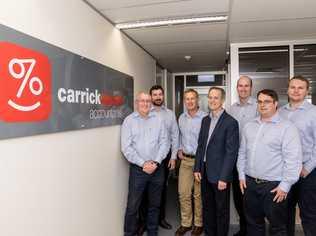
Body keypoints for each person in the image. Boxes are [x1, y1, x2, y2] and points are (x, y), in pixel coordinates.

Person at [237, 89, 302, 236]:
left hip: (274, 186)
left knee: (277, 227)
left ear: (275, 104)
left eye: (267, 101)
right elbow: (242, 153)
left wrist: (285, 186)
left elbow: (293, 160)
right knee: (253, 224)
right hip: (250, 184)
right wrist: (241, 175)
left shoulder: (287, 127)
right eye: (259, 101)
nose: (262, 105)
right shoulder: (249, 126)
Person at [121, 92, 169, 236]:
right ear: (137, 103)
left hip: (157, 169)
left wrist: (156, 162)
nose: (145, 103)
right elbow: (126, 148)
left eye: (148, 101)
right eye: (142, 101)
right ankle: (129, 233)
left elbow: (165, 143)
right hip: (138, 170)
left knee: (155, 204)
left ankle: (152, 232)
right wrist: (143, 164)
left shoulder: (158, 120)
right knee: (133, 206)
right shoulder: (129, 121)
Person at [194, 87, 239, 236]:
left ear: (222, 100)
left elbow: (231, 153)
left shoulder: (230, 122)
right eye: (210, 97)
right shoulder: (205, 120)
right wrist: (197, 168)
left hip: (220, 174)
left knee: (221, 210)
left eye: (216, 98)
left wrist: (224, 177)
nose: (212, 100)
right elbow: (200, 146)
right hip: (205, 171)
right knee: (207, 207)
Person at [138, 85, 179, 235]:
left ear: (163, 96)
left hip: (164, 157)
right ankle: (143, 222)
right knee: (143, 190)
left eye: (159, 94)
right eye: (154, 95)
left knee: (161, 189)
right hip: (146, 157)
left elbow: (175, 136)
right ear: (150, 97)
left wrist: (173, 157)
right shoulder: (144, 113)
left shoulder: (170, 114)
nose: (157, 97)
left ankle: (160, 218)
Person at [279, 76, 316, 236]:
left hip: (306, 172)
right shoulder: (280, 112)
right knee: (284, 213)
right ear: (287, 90)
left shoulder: (313, 112)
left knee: (308, 214)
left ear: (307, 91)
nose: (296, 90)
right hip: (284, 171)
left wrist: (306, 168)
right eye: (293, 87)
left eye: (300, 88)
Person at [175, 89, 207, 236]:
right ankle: (186, 223)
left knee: (198, 195)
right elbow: (180, 136)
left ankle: (199, 224)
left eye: (192, 98)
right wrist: (180, 148)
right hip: (186, 161)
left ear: (197, 100)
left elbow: (207, 141)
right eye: (187, 99)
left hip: (200, 161)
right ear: (184, 101)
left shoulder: (205, 118)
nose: (189, 101)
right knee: (183, 193)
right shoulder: (181, 117)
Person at [228, 75, 257, 236]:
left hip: (252, 160)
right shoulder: (232, 108)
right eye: (240, 86)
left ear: (251, 88)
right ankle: (244, 229)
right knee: (238, 198)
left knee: (251, 199)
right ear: (237, 88)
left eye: (246, 86)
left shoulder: (258, 106)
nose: (243, 89)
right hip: (235, 160)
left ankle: (253, 230)